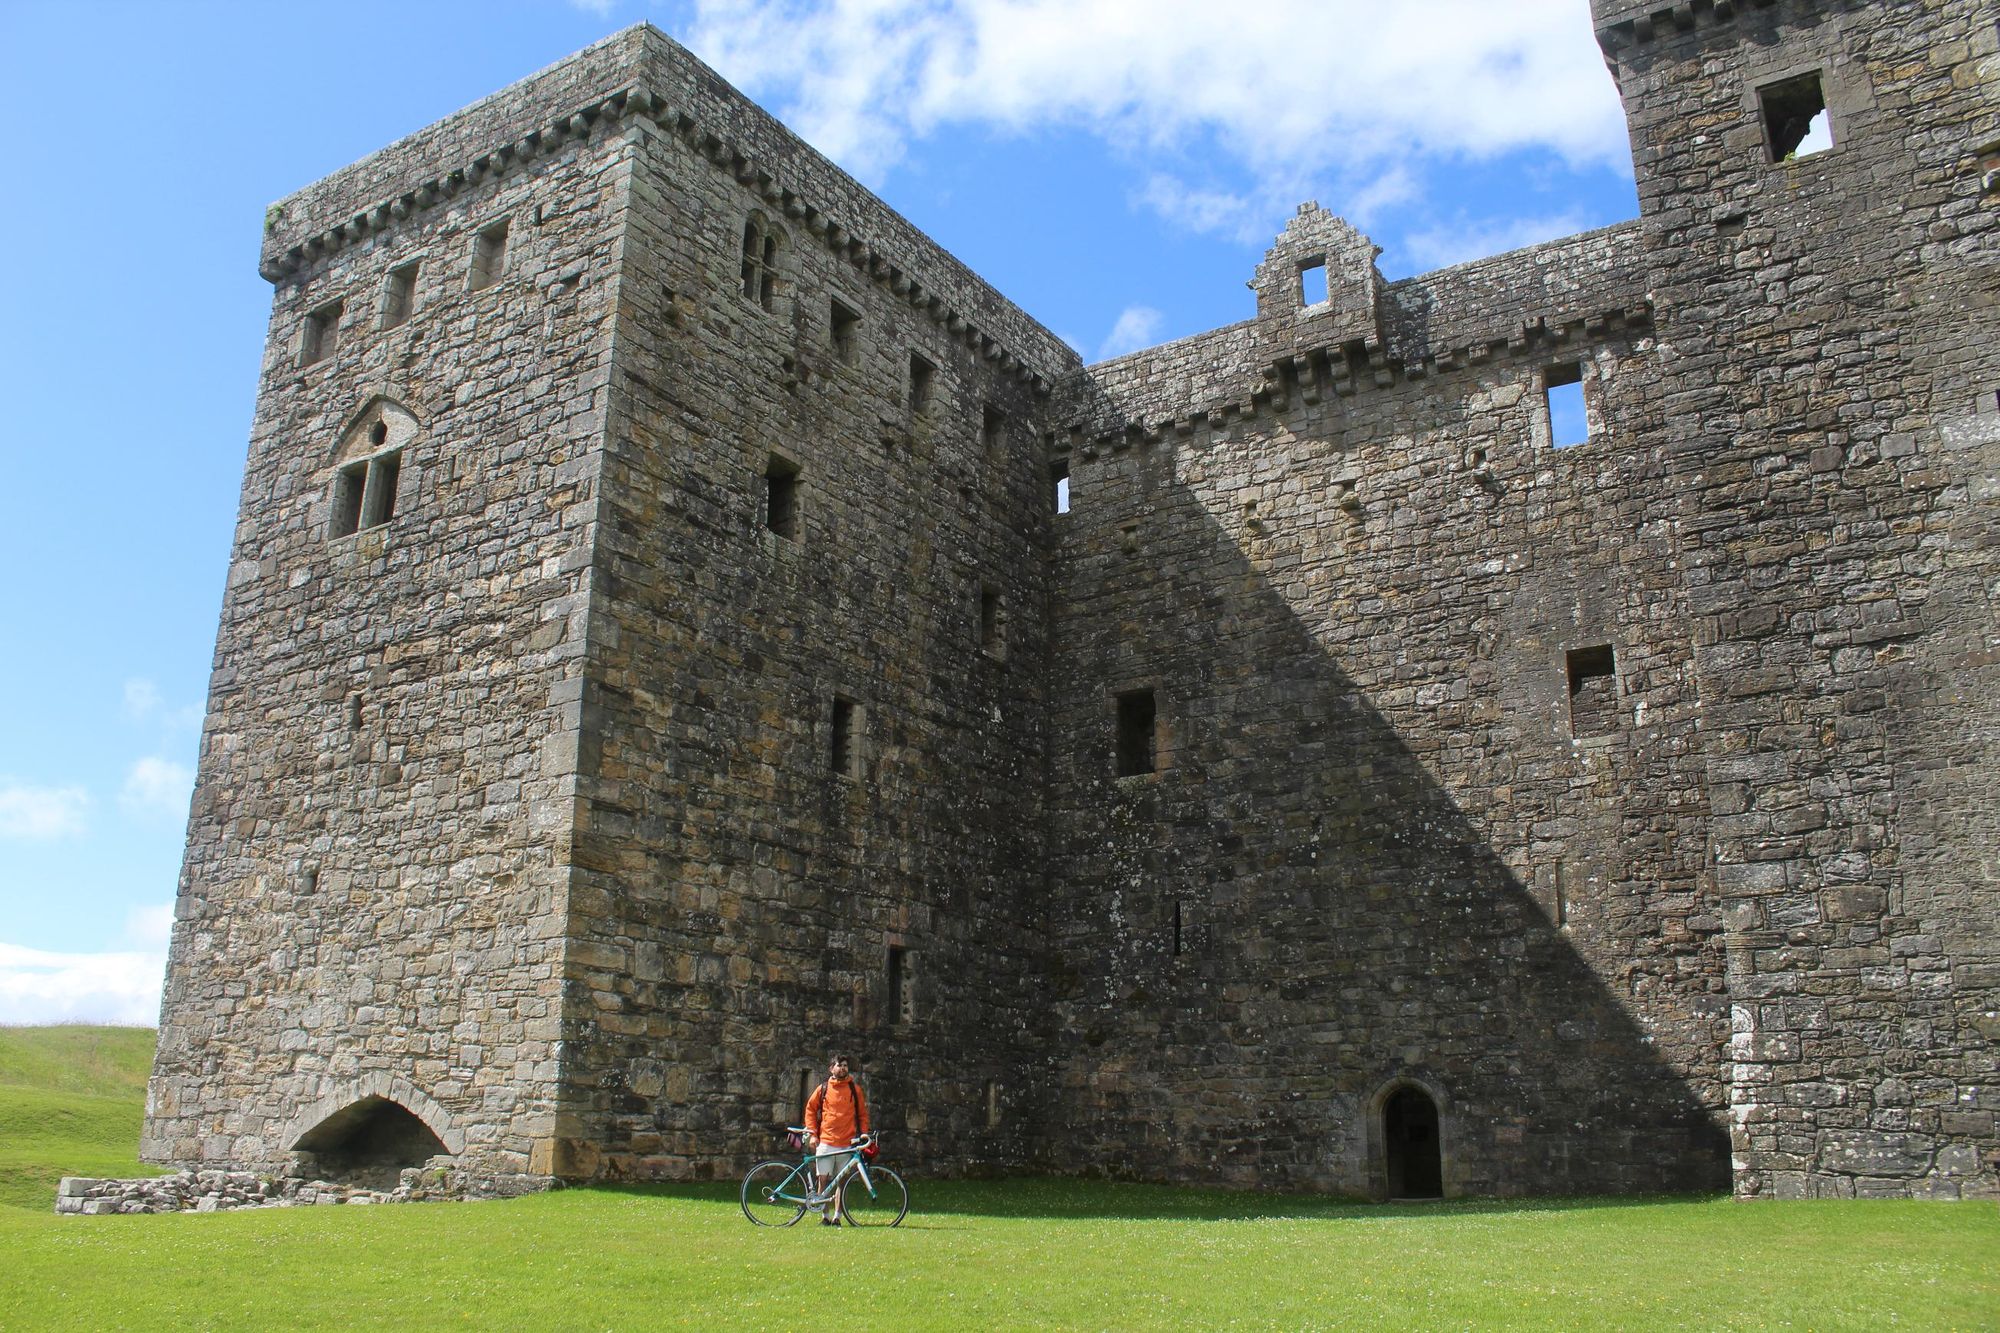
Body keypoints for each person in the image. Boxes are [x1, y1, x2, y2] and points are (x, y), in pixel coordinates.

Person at [802, 1053, 869, 1226]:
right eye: (839, 1065)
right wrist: (812, 1135)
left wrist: (863, 1133)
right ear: (831, 1068)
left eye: (845, 1065)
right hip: (826, 1141)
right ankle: (824, 1216)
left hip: (846, 1144)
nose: (843, 1068)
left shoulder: (855, 1090)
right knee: (822, 1180)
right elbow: (810, 1110)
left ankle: (837, 1216)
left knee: (842, 1182)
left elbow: (862, 1114)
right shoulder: (823, 1089)